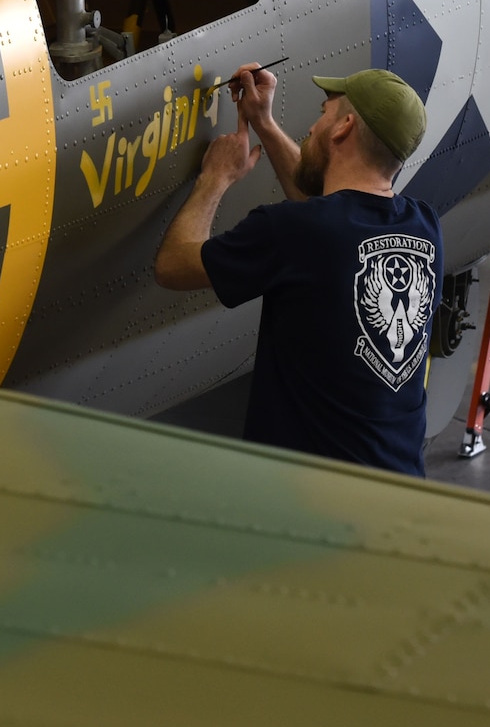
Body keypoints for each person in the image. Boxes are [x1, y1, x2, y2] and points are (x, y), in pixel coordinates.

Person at [153, 63, 441, 475]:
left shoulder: (292, 231)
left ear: (343, 127)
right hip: (399, 492)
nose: (311, 125)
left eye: (323, 113)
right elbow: (321, 216)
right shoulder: (425, 229)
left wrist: (215, 178)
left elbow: (173, 265)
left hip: (309, 509)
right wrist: (264, 123)